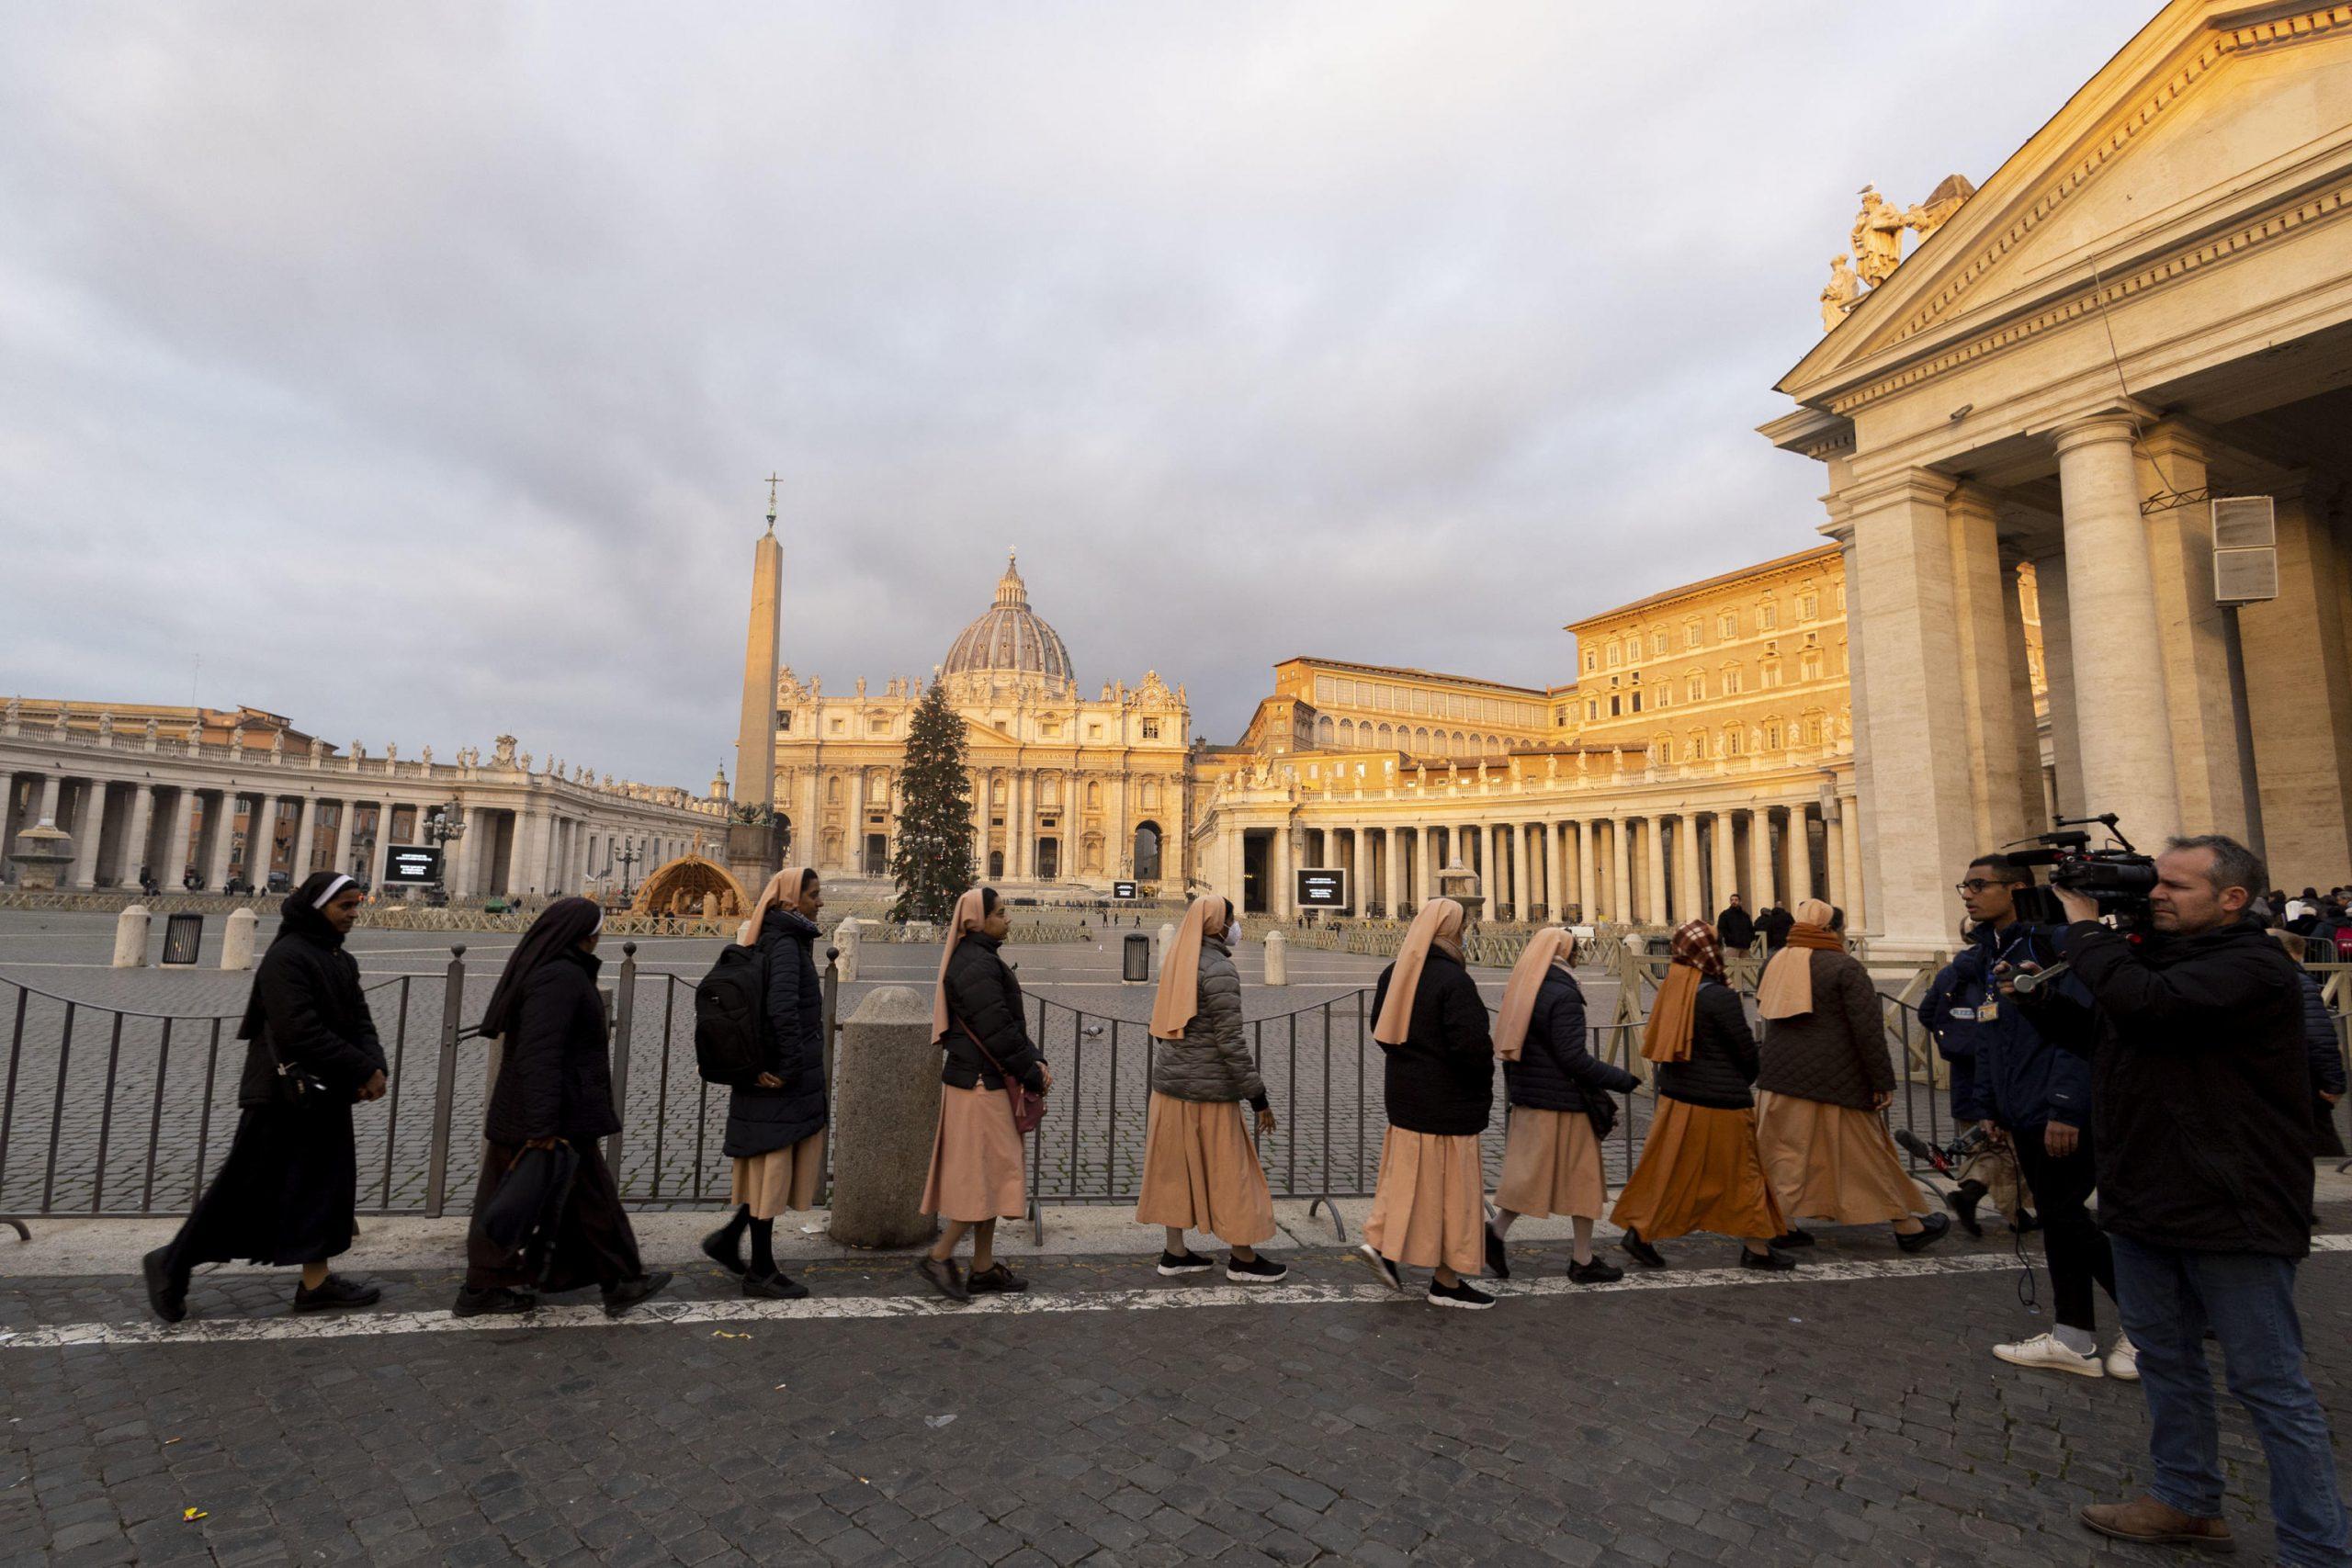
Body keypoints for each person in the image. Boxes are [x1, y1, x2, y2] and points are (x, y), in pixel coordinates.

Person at [2016, 839, 2350, 1562]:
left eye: (2175, 883)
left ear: (2233, 897)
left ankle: (2317, 1547)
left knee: (2269, 1384)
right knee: (2165, 1360)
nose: (2156, 893)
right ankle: (2187, 1500)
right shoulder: (2159, 960)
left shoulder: (2255, 965)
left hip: (2233, 1202)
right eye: (2154, 881)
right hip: (2146, 1193)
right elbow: (2119, 1028)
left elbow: (2149, 1007)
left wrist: (2082, 930)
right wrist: (2037, 1001)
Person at [142, 872, 388, 1321]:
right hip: (280, 1093)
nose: (354, 914)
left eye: (356, 905)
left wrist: (375, 1065)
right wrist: (359, 1065)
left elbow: (360, 1019)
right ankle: (171, 1261)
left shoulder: (338, 957)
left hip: (324, 1090)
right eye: (345, 907)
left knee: (326, 1186)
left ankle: (316, 1284)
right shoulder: (287, 957)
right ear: (318, 908)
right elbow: (299, 1030)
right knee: (244, 1187)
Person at [1921, 856, 2124, 1378]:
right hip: (2023, 1108)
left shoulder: (2051, 944)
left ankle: (2157, 1319)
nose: (1967, 893)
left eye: (1979, 884)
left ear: (2016, 889)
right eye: (1964, 883)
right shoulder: (1994, 951)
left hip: (2058, 1110)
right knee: (2060, 1222)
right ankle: (2074, 1335)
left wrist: (2064, 1108)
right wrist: (1990, 1106)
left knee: (2064, 1216)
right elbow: (1992, 1036)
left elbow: (2078, 1036)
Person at [458, 897, 670, 1318]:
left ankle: (618, 1278)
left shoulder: (559, 970)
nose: (599, 936)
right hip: (547, 1112)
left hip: (559, 1108)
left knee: (586, 1198)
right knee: (519, 1197)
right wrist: (541, 1122)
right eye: (597, 929)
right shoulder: (558, 978)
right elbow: (540, 1051)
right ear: (584, 935)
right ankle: (486, 1284)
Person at [1752, 898, 1950, 1254]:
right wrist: (1881, 1080)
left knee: (1781, 1156)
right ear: (1830, 930)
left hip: (1779, 1078)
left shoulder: (1775, 962)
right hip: (1834, 1082)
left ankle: (1781, 1223)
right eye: (1841, 929)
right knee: (1867, 1156)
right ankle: (1908, 1225)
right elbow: (1868, 1030)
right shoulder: (1844, 967)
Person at [1610, 919, 1792, 1270]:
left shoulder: (1672, 988)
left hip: (1679, 1099)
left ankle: (1640, 1231)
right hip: (1722, 1103)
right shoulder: (1720, 996)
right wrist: (1747, 1073)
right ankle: (1757, 1249)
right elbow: (1745, 1053)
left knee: (1672, 1173)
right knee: (1746, 1175)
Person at [1136, 893, 1285, 1282]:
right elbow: (1230, 1042)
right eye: (1231, 921)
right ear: (1219, 925)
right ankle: (1242, 1257)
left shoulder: (1177, 961)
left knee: (1174, 1171)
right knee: (1232, 1171)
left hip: (1170, 1087)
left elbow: (1162, 1026)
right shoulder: (1218, 969)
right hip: (1209, 1092)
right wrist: (1258, 1096)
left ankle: (1175, 1252)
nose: (1235, 928)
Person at [1359, 898, 1497, 1309]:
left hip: (1405, 1097)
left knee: (1407, 1181)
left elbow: (1381, 1032)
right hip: (1449, 1102)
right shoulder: (1453, 980)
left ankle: (1383, 1242)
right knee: (1454, 1193)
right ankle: (1447, 1280)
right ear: (1451, 930)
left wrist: (1412, 1058)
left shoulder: (1394, 972)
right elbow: (1472, 1047)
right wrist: (1482, 1086)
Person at [703, 867, 831, 1299]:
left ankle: (728, 1239)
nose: (820, 902)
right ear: (792, 901)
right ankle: (760, 1271)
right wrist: (791, 1067)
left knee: (764, 1167)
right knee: (772, 1170)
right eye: (814, 895)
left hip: (763, 1070)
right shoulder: (788, 944)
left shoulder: (772, 937)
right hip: (778, 1076)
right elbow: (782, 1011)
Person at [918, 886, 1051, 1303]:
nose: (1008, 919)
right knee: (982, 1176)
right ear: (980, 920)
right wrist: (1030, 1071)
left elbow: (1005, 1024)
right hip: (978, 1083)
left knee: (991, 1173)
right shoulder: (975, 963)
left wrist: (1034, 1058)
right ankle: (939, 1257)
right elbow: (995, 1031)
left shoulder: (979, 957)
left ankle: (982, 1266)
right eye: (1001, 912)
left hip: (984, 1079)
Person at [1488, 928, 1638, 1282]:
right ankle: (1582, 1260)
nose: (1579, 956)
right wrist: (1622, 1079)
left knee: (1530, 1177)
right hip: (1564, 1102)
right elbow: (1573, 1059)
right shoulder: (1563, 994)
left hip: (1533, 1098)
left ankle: (1494, 1232)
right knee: (1583, 1182)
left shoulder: (1528, 988)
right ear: (1564, 953)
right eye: (1575, 951)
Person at [2268, 926, 2346, 1160]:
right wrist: (2334, 1082)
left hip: (2269, 1074)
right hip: (2300, 1074)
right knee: (2321, 1138)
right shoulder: (2296, 979)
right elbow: (2318, 1034)